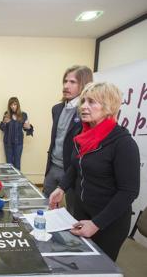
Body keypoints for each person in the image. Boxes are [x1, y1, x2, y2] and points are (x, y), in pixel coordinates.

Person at [49, 82, 140, 261]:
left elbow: (129, 192)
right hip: (82, 212)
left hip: (108, 223)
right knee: (79, 263)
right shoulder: (83, 134)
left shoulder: (123, 143)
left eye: (92, 102)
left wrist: (97, 224)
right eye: (83, 101)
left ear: (108, 107)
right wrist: (61, 188)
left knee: (98, 268)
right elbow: (76, 166)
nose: (83, 106)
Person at [43, 65, 93, 214]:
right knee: (46, 207)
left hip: (73, 171)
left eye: (72, 82)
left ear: (83, 84)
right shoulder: (57, 109)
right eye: (65, 81)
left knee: (73, 213)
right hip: (52, 167)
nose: (66, 86)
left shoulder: (86, 112)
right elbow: (58, 139)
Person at [0, 97, 33, 170]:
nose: (13, 106)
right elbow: (2, 128)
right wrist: (4, 123)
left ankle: (18, 181)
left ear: (18, 105)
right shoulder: (6, 114)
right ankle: (10, 181)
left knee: (17, 164)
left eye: (15, 104)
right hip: (8, 143)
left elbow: (27, 128)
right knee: (9, 165)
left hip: (18, 143)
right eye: (11, 105)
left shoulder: (23, 115)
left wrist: (29, 127)